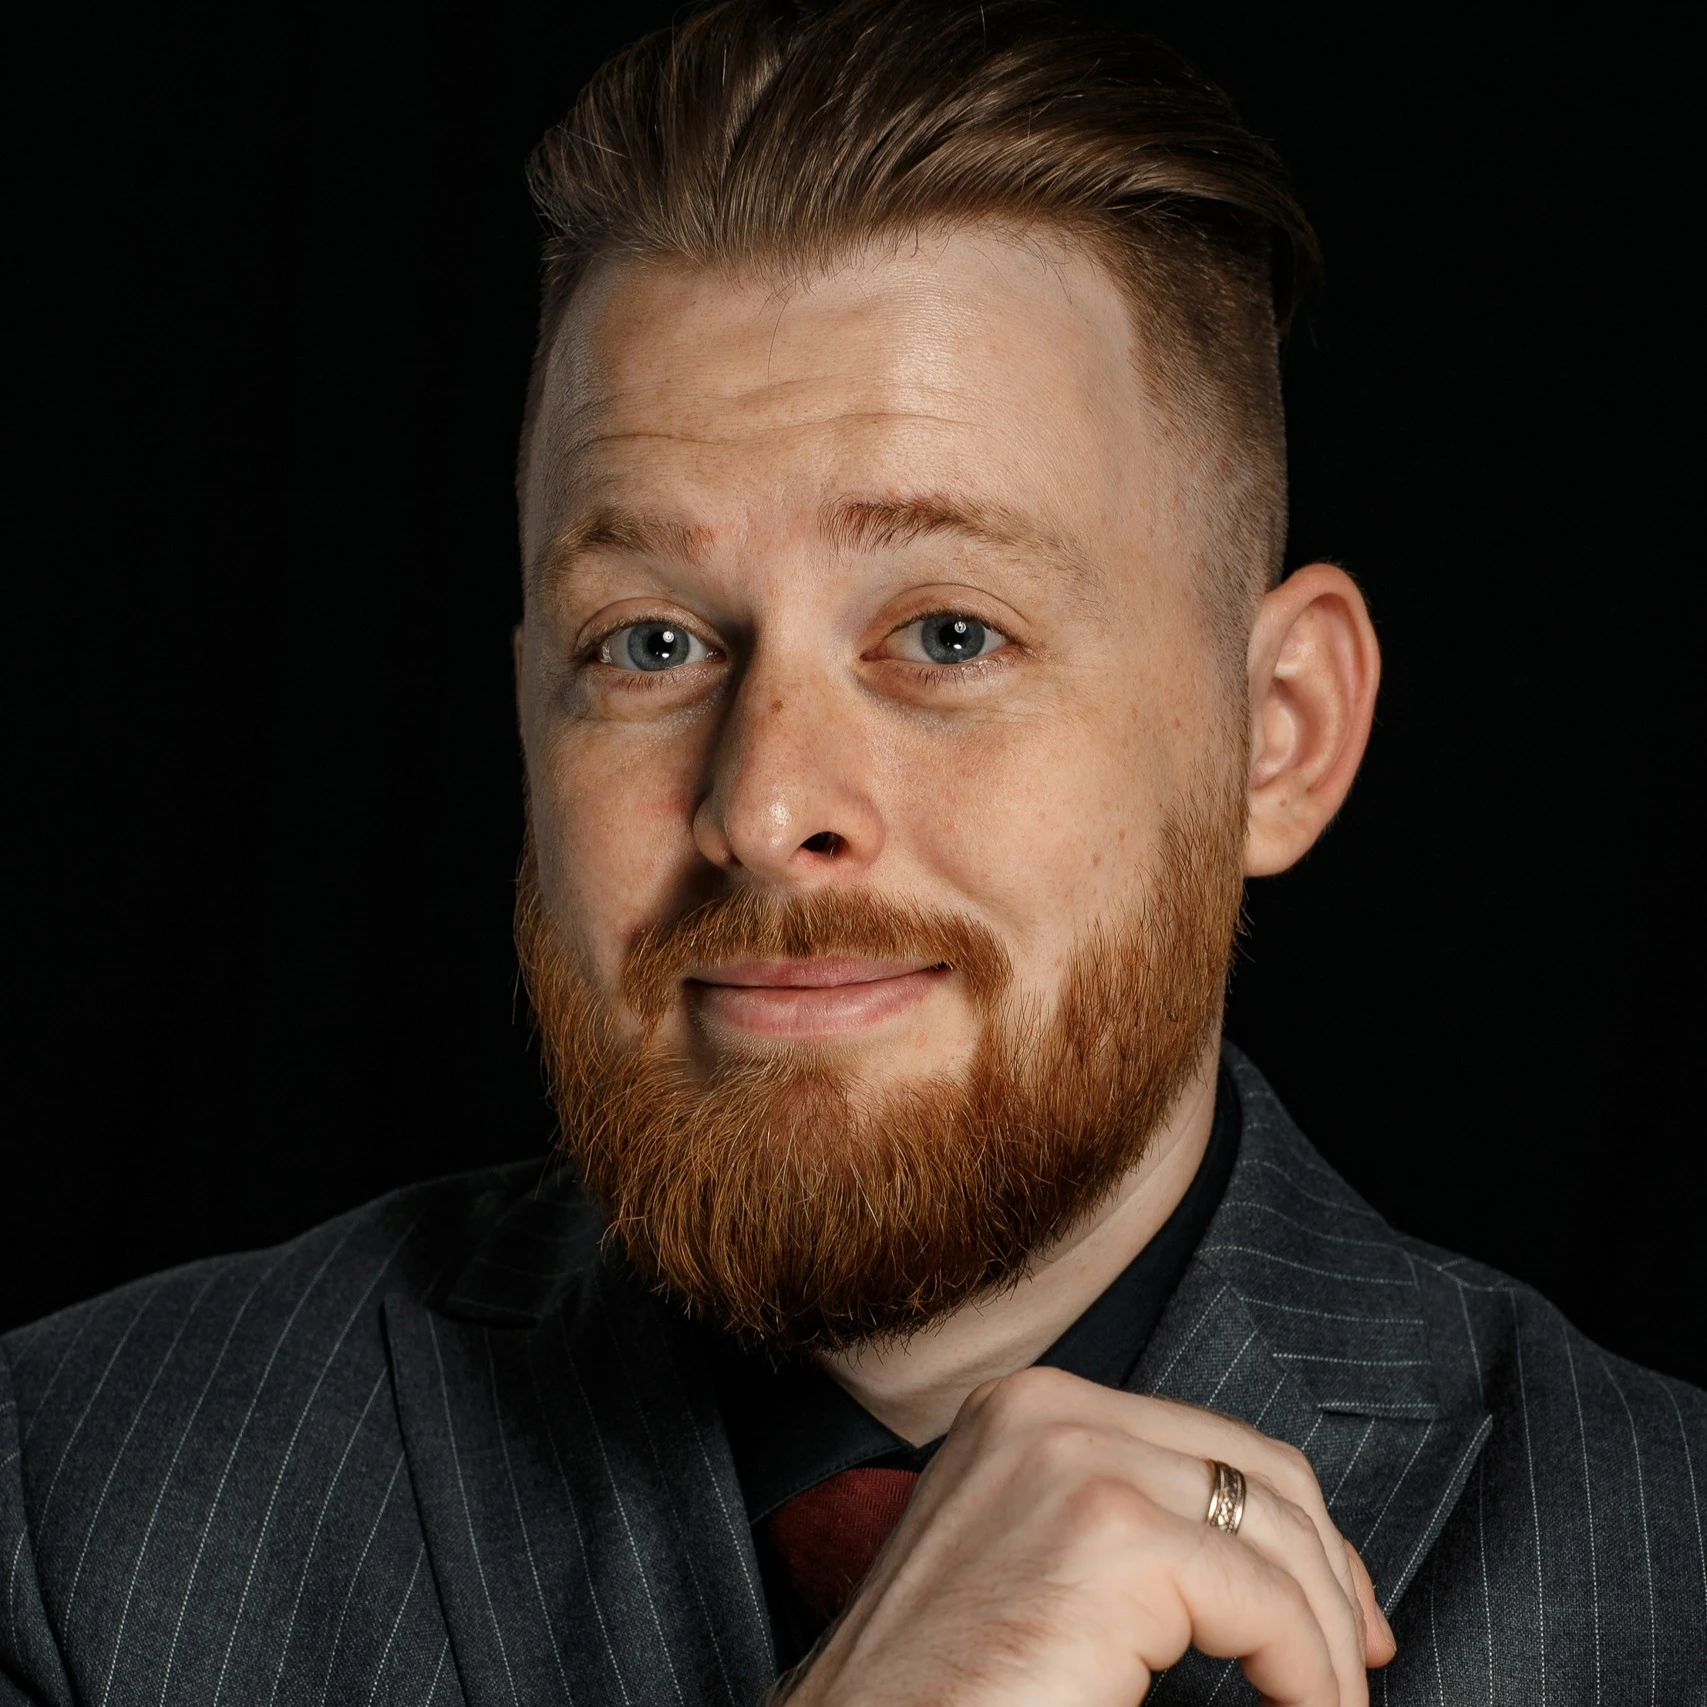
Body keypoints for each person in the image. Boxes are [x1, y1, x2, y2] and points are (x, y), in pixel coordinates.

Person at [3, 2, 1701, 1702]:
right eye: (651, 643)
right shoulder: (72, 1503)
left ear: (1278, 734)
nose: (761, 809)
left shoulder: (1667, 1566)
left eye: (948, 632)